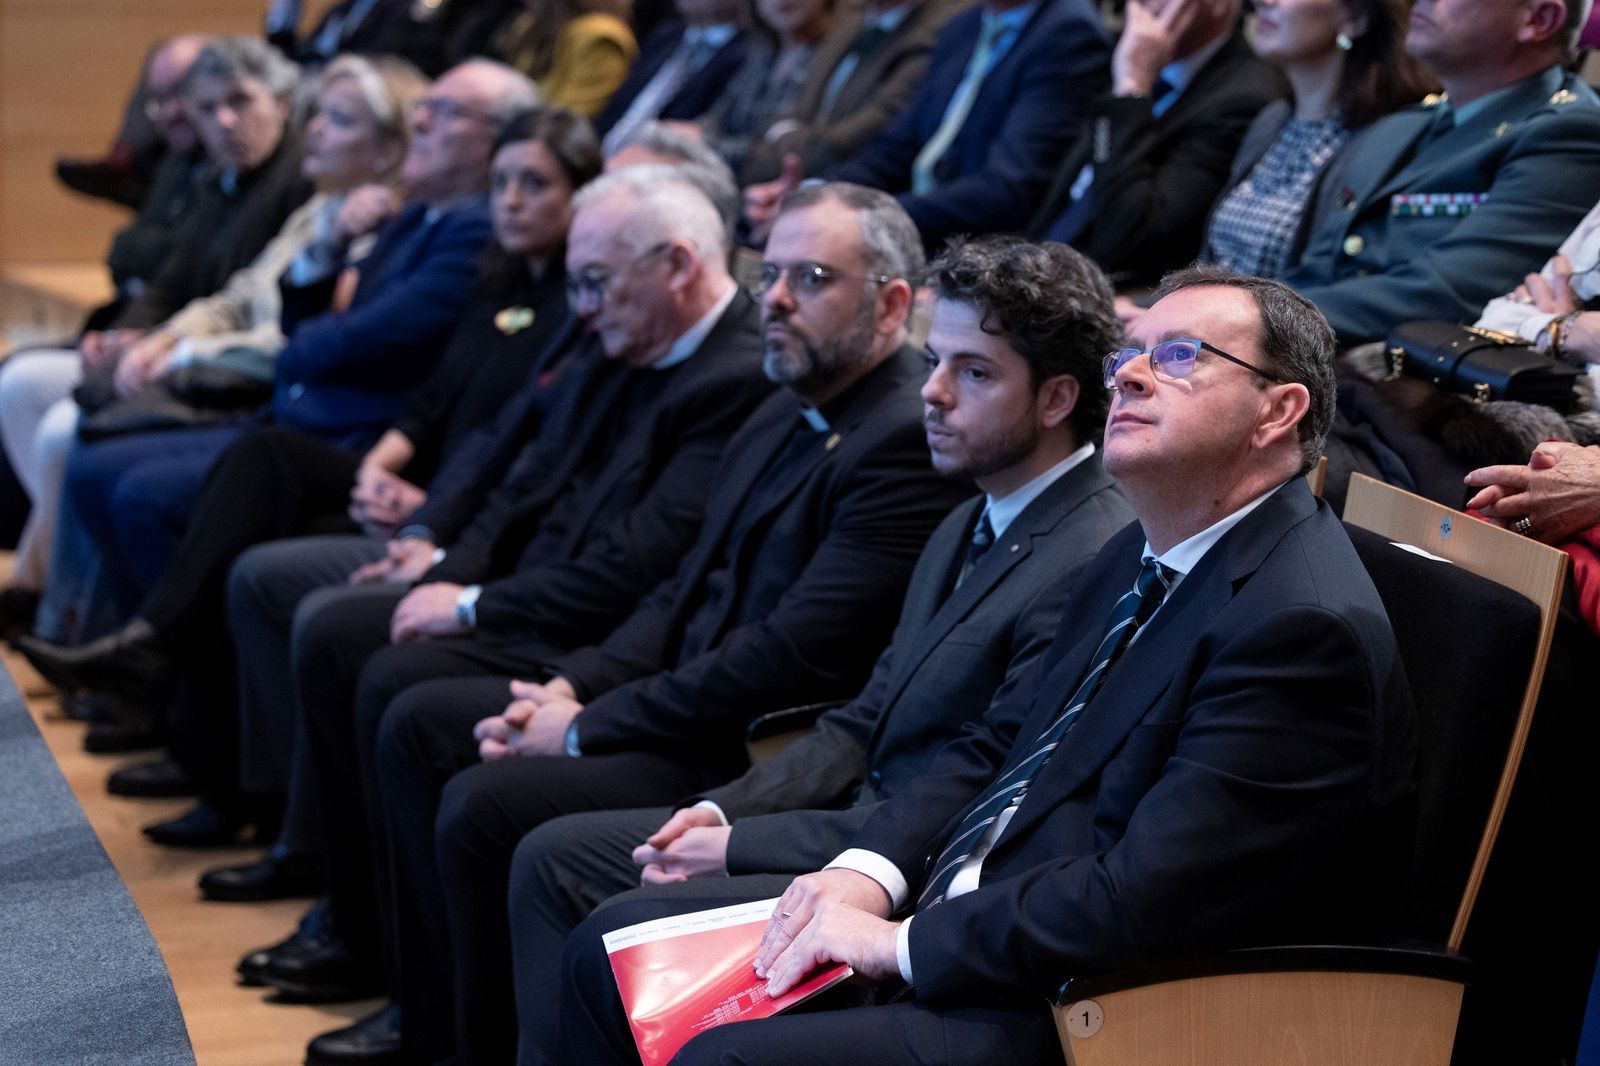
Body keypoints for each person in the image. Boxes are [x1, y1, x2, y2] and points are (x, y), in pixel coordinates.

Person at [552, 264, 1416, 1066]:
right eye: (1131, 354)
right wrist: (863, 875)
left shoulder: (1301, 627)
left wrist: (897, 944)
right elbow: (998, 739)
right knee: (612, 947)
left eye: (1180, 356)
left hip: (1084, 1005)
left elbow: (1145, 900)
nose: (1133, 375)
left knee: (721, 1053)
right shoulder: (1140, 549)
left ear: (1279, 412)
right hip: (966, 908)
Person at [311, 182, 969, 1064]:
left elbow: (784, 653)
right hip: (684, 705)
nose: (773, 297)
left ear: (892, 304)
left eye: (809, 278)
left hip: (753, 744)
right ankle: (437, 1029)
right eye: (769, 272)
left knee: (488, 800)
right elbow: (683, 587)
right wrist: (573, 687)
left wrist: (584, 729)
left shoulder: (898, 441)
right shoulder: (785, 403)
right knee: (445, 738)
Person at [493, 234, 1135, 1066]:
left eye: (973, 373)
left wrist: (740, 846)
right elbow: (865, 718)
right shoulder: (970, 512)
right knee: (553, 858)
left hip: (909, 876)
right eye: (934, 362)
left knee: (605, 928)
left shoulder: (1090, 551)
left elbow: (984, 788)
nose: (932, 395)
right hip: (848, 826)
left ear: (1056, 400)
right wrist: (725, 810)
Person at [229, 167, 781, 1063]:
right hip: (556, 605)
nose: (581, 304)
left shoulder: (734, 378)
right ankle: (378, 951)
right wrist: (442, 556)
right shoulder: (624, 328)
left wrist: (490, 611)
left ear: (678, 264)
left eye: (595, 280)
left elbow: (643, 563)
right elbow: (524, 469)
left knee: (400, 688)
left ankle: (430, 1008)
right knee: (357, 640)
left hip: (594, 626)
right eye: (574, 281)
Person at [26, 108, 601, 836]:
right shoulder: (502, 280)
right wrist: (385, 468)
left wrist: (425, 510)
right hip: (411, 481)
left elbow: (518, 448)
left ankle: (173, 683)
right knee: (246, 479)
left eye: (536, 184)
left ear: (580, 195)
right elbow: (429, 405)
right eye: (503, 183)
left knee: (254, 534)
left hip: (456, 512)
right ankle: (192, 728)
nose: (511, 201)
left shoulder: (571, 308)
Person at [17, 58, 532, 668]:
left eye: (447, 112)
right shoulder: (408, 215)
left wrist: (301, 337)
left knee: (138, 488)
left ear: (497, 138)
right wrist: (325, 257)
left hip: (346, 433)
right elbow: (281, 311)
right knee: (98, 458)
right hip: (295, 406)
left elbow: (353, 338)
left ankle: (161, 675)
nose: (426, 118)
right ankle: (141, 672)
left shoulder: (467, 230)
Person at [0, 34, 312, 649]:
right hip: (172, 346)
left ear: (281, 100)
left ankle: (56, 608)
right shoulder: (219, 177)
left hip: (228, 374)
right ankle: (57, 580)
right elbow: (167, 279)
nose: (224, 122)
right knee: (21, 385)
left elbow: (254, 313)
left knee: (70, 428)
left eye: (240, 102)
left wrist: (163, 345)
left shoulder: (300, 182)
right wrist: (124, 334)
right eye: (208, 109)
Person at [1281, 0, 1600, 346]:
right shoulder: (1402, 124)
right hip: (1317, 349)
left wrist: (1256, 318)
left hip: (1400, 375)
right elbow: (1317, 267)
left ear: (1540, 19)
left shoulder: (1569, 133)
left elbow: (1447, 293)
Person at [743, 0, 1110, 247]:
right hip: (921, 228)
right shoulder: (964, 25)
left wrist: (861, 217)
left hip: (980, 246)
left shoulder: (1069, 31)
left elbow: (1008, 190)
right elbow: (895, 149)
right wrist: (817, 194)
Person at [1024, 0, 1285, 286]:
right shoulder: (1128, 52)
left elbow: (1129, 240)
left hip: (1104, 293)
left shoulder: (1245, 96)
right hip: (1040, 264)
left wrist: (1131, 89)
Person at [1199, 0, 1433, 280]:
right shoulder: (1271, 121)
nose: (1263, 2)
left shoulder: (1391, 139)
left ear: (1356, 18)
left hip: (1289, 322)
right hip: (1212, 314)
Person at [738, 0, 966, 184]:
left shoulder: (940, 29)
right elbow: (796, 109)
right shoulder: (852, 18)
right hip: (799, 174)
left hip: (856, 186)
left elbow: (859, 137)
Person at [689, 0, 835, 177]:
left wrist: (702, 144)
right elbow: (718, 117)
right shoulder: (762, 50)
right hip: (723, 171)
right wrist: (689, 134)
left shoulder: (838, 53)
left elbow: (783, 155)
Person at [593, 0, 750, 153]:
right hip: (601, 153)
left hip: (665, 163)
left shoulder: (749, 54)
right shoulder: (666, 36)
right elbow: (617, 107)